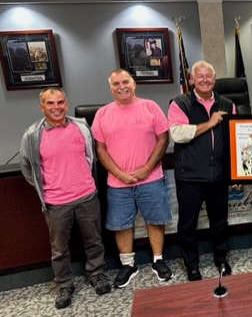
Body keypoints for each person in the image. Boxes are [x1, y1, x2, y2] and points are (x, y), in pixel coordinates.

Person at [20, 88, 111, 309]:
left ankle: (96, 274)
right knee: (59, 249)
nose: (56, 107)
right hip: (56, 202)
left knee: (94, 241)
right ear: (42, 106)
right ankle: (64, 284)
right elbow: (27, 168)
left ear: (66, 103)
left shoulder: (81, 127)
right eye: (50, 103)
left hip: (86, 196)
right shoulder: (32, 135)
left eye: (60, 102)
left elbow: (90, 158)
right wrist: (49, 188)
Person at [91, 69, 172, 288]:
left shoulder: (150, 107)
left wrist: (147, 167)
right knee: (121, 224)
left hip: (151, 178)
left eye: (125, 81)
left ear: (133, 83)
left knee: (155, 220)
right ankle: (128, 265)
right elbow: (100, 149)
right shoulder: (103, 114)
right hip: (118, 183)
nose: (121, 86)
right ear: (111, 88)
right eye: (116, 83)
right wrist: (118, 173)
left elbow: (163, 139)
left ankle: (158, 260)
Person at [167, 60, 236, 281]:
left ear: (214, 80)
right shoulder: (179, 103)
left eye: (209, 76)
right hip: (190, 175)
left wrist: (236, 171)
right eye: (200, 76)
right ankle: (192, 264)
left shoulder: (227, 103)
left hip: (218, 174)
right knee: (188, 223)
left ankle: (221, 259)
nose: (205, 80)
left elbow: (235, 139)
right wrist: (211, 122)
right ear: (192, 79)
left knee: (220, 221)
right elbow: (178, 134)